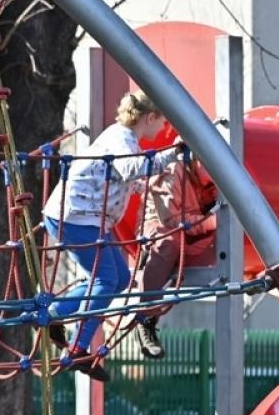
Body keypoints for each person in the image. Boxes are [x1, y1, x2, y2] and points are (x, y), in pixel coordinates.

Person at [41, 91, 179, 380]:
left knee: (120, 280)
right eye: (163, 122)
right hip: (76, 217)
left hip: (82, 217)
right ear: (149, 117)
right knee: (105, 280)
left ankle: (56, 311)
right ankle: (78, 349)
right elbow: (130, 168)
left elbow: (122, 177)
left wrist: (147, 185)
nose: (164, 128)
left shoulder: (123, 140)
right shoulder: (121, 138)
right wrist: (174, 153)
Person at [133, 155, 218, 360]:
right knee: (169, 242)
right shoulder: (173, 171)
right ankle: (146, 318)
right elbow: (170, 219)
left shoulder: (201, 177)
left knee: (217, 239)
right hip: (159, 229)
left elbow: (205, 202)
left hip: (189, 231)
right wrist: (212, 221)